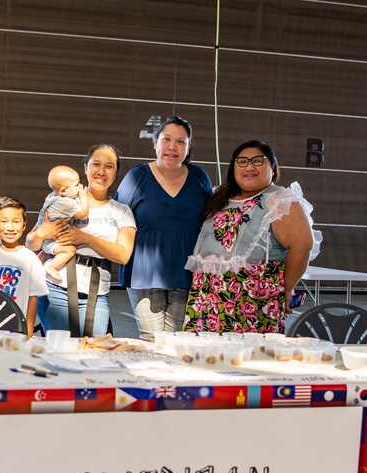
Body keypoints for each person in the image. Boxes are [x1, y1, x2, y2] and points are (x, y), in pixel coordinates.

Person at [183, 140, 317, 334]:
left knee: (246, 359)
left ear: (272, 166)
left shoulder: (279, 200)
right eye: (242, 161)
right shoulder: (219, 197)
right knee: (203, 358)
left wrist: (286, 287)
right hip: (206, 298)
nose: (249, 167)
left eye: (258, 161)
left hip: (252, 302)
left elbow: (303, 245)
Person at [115, 116, 213, 341]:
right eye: (166, 139)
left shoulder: (199, 177)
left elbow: (210, 220)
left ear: (188, 148)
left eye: (181, 142)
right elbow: (117, 219)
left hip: (186, 272)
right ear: (155, 142)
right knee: (152, 341)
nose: (172, 147)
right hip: (144, 273)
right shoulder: (137, 177)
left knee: (176, 341)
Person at [27, 144, 136, 337]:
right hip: (55, 287)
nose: (101, 171)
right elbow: (31, 244)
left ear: (116, 172)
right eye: (96, 164)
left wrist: (85, 238)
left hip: (96, 292)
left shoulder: (122, 211)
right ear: (85, 167)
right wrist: (42, 233)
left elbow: (123, 255)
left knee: (93, 351)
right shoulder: (61, 198)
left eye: (109, 166)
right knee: (58, 350)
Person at [0, 196, 49, 338]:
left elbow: (32, 298)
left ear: (24, 225)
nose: (10, 227)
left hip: (16, 329)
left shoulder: (31, 259)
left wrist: (28, 332)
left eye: (16, 222)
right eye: (4, 222)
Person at [38, 165, 90, 282]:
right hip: (53, 240)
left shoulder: (52, 196)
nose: (80, 186)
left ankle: (36, 264)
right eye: (76, 185)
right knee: (70, 250)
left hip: (47, 239)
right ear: (63, 191)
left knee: (45, 252)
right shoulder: (66, 203)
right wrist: (83, 198)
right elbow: (83, 214)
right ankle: (52, 267)